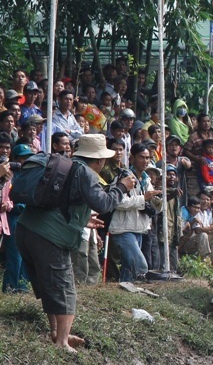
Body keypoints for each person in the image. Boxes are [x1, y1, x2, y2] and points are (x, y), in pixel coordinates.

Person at [15, 134, 137, 351]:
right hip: (48, 236)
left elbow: (62, 201)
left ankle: (56, 333)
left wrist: (82, 218)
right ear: (99, 160)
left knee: (48, 283)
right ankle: (62, 342)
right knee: (64, 287)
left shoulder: (66, 166)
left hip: (26, 230)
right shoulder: (86, 173)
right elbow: (104, 203)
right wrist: (122, 187)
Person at [108, 144, 160, 282]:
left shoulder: (146, 180)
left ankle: (125, 296)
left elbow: (151, 206)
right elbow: (117, 202)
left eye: (148, 158)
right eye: (141, 157)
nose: (145, 161)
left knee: (128, 269)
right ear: (132, 158)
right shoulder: (123, 177)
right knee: (140, 266)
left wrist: (159, 201)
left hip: (139, 228)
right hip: (123, 229)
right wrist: (144, 198)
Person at [2, 142, 32, 293]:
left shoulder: (31, 174)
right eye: (21, 158)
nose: (24, 161)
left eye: (28, 158)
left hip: (28, 219)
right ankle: (10, 286)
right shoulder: (9, 174)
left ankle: (23, 286)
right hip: (12, 218)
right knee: (15, 256)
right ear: (15, 158)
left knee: (26, 254)